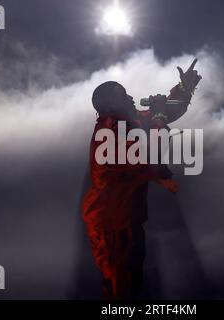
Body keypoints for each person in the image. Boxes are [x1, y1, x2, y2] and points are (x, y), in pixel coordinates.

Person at [81, 58, 202, 299]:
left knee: (132, 281)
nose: (130, 98)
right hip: (111, 225)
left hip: (128, 219)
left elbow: (166, 113)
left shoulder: (129, 120)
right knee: (119, 287)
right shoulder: (109, 131)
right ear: (108, 105)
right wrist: (157, 115)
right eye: (122, 95)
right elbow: (150, 155)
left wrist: (184, 89)